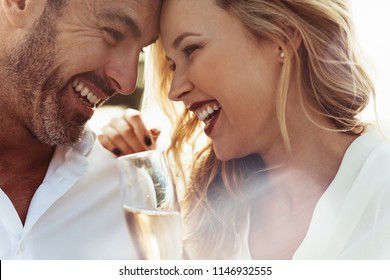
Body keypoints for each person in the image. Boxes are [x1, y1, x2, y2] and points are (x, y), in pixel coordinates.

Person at [99, 0, 390, 259]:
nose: (175, 91)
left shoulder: (380, 183)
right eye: (173, 66)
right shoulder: (213, 217)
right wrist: (143, 177)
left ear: (282, 36)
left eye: (191, 49)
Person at [0, 0, 161, 259]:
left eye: (141, 51)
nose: (127, 82)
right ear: (20, 4)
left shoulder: (128, 195)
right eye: (113, 33)